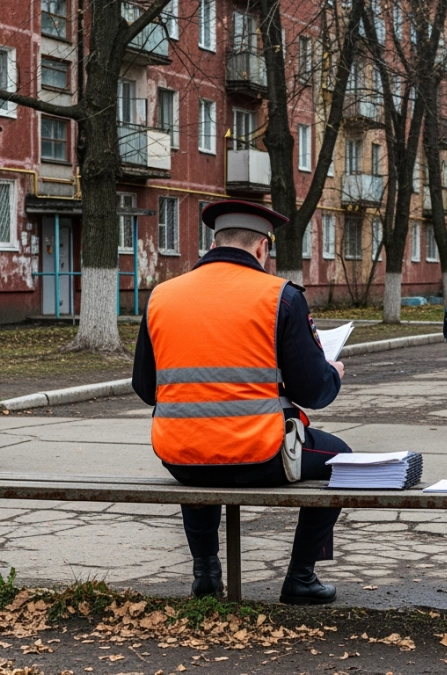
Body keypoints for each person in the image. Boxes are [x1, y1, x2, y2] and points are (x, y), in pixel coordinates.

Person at [131, 200, 352, 605]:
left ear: (215, 243)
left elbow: (145, 388)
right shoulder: (280, 296)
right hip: (259, 455)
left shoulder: (162, 296)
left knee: (200, 449)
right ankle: (302, 577)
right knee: (343, 460)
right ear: (261, 249)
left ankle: (206, 573)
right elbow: (312, 392)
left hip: (180, 456)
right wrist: (332, 373)